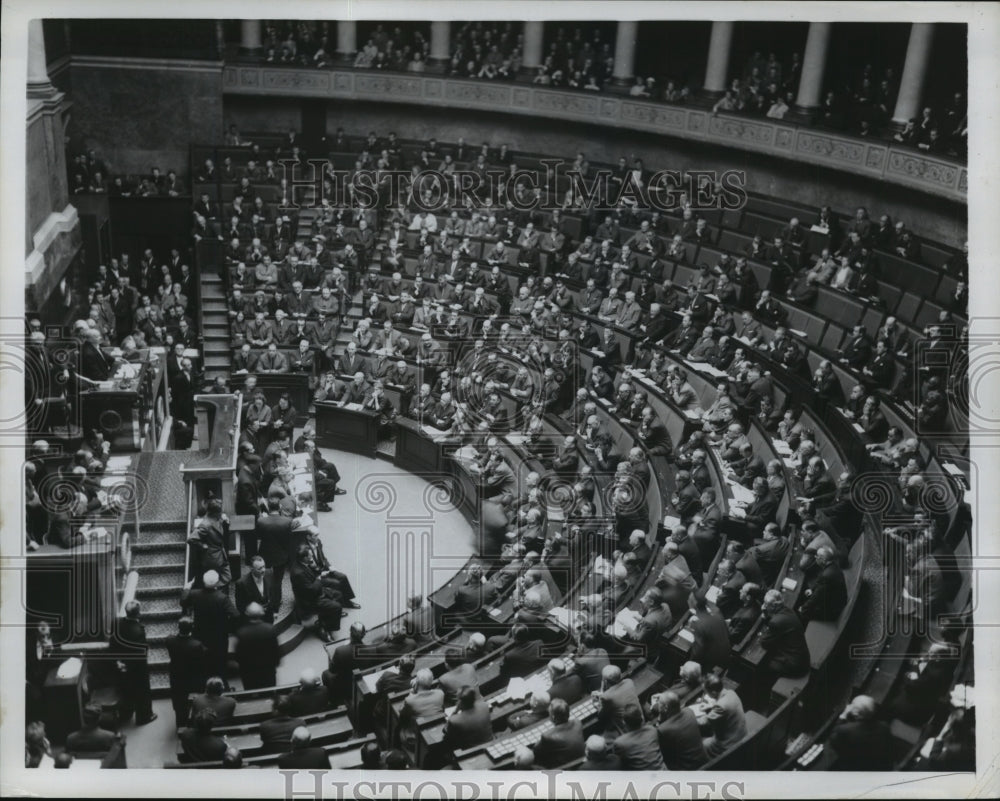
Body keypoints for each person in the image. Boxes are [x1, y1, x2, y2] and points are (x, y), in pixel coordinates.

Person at [180, 570, 239, 683]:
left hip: (200, 634)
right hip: (219, 636)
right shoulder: (222, 598)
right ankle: (222, 685)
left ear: (203, 581)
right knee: (220, 662)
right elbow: (235, 615)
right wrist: (227, 627)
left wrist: (187, 588)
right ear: (217, 583)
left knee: (203, 662)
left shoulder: (195, 594)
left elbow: (183, 602)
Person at [112, 601, 157, 725]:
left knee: (126, 689)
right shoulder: (139, 630)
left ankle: (126, 714)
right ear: (138, 613)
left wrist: (118, 661)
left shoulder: (117, 622)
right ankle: (144, 716)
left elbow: (113, 643)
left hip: (120, 663)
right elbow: (141, 652)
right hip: (136, 667)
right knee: (142, 691)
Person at [828, 695, 893, 770]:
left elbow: (832, 740)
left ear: (856, 714)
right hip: (880, 765)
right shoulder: (884, 726)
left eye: (852, 705)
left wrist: (843, 716)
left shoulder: (845, 730)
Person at [165, 616, 209, 728]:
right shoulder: (196, 645)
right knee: (196, 701)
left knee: (179, 703)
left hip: (177, 675)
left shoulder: (170, 640)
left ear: (178, 627)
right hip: (193, 677)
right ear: (192, 628)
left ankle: (180, 725)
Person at [759, 589, 811, 679]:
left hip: (795, 665)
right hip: (803, 656)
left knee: (764, 663)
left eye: (765, 604)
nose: (763, 606)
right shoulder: (788, 610)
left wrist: (763, 632)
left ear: (773, 606)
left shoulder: (776, 622)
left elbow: (764, 642)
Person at [653, 691, 706, 769]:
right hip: (702, 758)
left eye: (659, 703)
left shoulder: (663, 729)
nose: (657, 704)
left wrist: (659, 719)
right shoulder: (689, 711)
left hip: (688, 768)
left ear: (666, 708)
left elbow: (664, 753)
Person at [235, 602, 281, 690]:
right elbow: (276, 651)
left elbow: (239, 656)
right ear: (262, 613)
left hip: (249, 671)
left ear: (247, 614)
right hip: (268, 669)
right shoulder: (270, 629)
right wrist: (275, 664)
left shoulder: (241, 632)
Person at [701, 672, 747, 758]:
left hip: (730, 743)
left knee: (702, 744)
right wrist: (711, 706)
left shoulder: (720, 706)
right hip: (741, 732)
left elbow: (704, 722)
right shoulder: (731, 692)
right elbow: (725, 705)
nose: (706, 694)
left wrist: (690, 714)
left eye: (706, 692)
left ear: (714, 692)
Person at [533, 698, 586, 767]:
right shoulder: (577, 722)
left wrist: (550, 731)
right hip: (580, 759)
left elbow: (536, 750)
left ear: (553, 717)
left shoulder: (547, 736)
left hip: (565, 766)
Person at [234, 555, 280, 623]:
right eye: (259, 568)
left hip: (269, 615)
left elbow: (274, 592)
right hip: (253, 619)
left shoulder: (269, 573)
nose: (263, 570)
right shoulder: (241, 583)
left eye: (264, 566)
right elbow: (240, 605)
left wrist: (275, 611)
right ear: (251, 569)